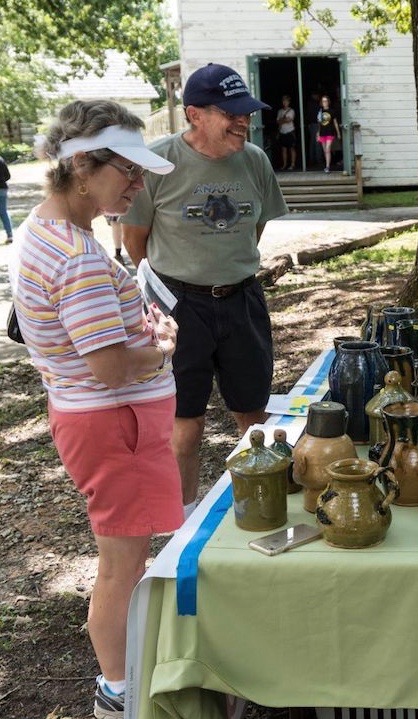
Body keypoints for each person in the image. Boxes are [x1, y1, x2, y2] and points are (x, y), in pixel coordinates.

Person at [9, 100, 181, 719]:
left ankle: (127, 672)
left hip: (97, 422)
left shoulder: (48, 227)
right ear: (82, 164)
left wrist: (132, 322)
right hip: (113, 426)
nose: (138, 185)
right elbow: (108, 367)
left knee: (123, 560)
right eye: (128, 172)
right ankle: (120, 690)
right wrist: (160, 345)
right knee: (121, 565)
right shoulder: (77, 255)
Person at [121, 63, 288, 518]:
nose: (242, 121)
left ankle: (263, 508)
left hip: (241, 301)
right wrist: (167, 296)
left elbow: (256, 226)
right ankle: (182, 524)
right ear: (194, 114)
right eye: (229, 112)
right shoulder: (156, 163)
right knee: (185, 426)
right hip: (179, 308)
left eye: (246, 112)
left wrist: (226, 269)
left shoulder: (254, 159)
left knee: (254, 415)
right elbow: (134, 242)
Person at [316, 94, 340, 173]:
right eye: (323, 101)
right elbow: (319, 123)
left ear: (328, 102)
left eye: (326, 101)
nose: (324, 103)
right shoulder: (320, 111)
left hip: (330, 132)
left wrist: (338, 133)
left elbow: (335, 122)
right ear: (321, 103)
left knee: (327, 149)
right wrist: (318, 133)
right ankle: (327, 165)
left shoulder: (332, 111)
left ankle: (327, 166)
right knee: (325, 150)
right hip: (322, 133)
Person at [276, 94, 297, 171]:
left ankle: (292, 164)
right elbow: (278, 121)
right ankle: (284, 164)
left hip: (290, 131)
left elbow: (290, 120)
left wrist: (282, 120)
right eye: (283, 101)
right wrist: (284, 120)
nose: (285, 102)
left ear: (289, 102)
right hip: (282, 132)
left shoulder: (291, 111)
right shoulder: (280, 111)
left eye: (286, 101)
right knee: (283, 149)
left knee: (292, 148)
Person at [0, 154, 13, 242]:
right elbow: (8, 176)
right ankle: (10, 235)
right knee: (3, 212)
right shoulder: (1, 159)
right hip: (3, 188)